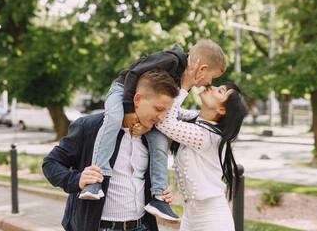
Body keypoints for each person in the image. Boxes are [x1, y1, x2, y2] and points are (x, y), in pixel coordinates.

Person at [80, 40, 227, 221]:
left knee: (159, 141)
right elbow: (133, 74)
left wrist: (148, 124)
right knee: (113, 119)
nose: (209, 83)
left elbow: (167, 112)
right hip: (122, 90)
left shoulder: (180, 78)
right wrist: (128, 109)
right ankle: (96, 180)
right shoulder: (171, 61)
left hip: (141, 104)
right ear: (202, 69)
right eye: (212, 78)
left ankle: (158, 197)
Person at [42, 70, 179, 231]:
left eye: (165, 111)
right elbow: (50, 163)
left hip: (142, 226)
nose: (162, 117)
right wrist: (77, 180)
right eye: (158, 109)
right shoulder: (88, 127)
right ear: (137, 99)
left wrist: (158, 194)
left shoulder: (151, 137)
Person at [155, 60, 249, 231]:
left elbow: (164, 122)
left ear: (222, 110)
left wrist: (185, 86)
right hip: (190, 218)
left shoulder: (206, 137)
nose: (212, 87)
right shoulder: (197, 121)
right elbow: (167, 110)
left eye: (220, 91)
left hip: (212, 221)